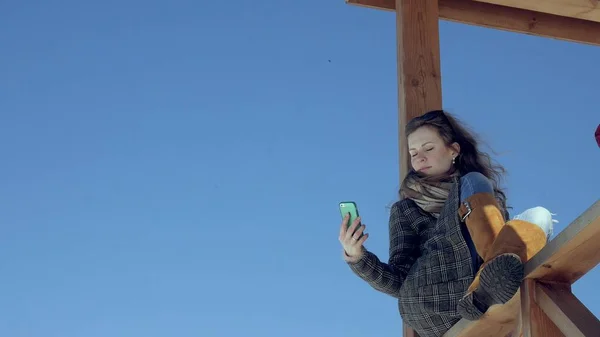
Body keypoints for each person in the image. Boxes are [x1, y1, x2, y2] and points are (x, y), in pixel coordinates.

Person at [338, 110, 554, 337]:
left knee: (540, 216)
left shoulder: (484, 200)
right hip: (430, 302)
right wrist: (357, 257)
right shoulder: (406, 209)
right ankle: (487, 282)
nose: (419, 158)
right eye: (413, 153)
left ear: (454, 150)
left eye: (428, 148)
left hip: (479, 304)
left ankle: (485, 288)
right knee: (474, 182)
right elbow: (398, 281)